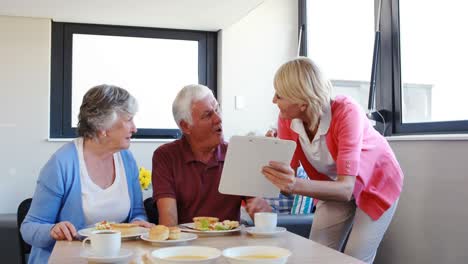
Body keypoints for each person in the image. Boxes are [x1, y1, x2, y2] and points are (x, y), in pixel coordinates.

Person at [261, 57, 404, 263]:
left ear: (302, 101)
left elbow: (346, 189)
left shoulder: (347, 112)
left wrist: (293, 184)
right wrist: (271, 161)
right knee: (317, 255)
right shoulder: (286, 120)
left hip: (377, 184)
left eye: (279, 95)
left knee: (355, 257)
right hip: (333, 187)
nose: (274, 100)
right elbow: (287, 181)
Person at [21, 84, 151, 263]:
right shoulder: (62, 163)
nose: (134, 128)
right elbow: (29, 228)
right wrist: (53, 230)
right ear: (104, 128)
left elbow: (137, 212)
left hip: (117, 258)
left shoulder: (126, 159)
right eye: (128, 119)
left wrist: (138, 223)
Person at [152, 84, 272, 226]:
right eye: (208, 115)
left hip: (230, 245)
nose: (218, 119)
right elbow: (168, 221)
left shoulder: (237, 154)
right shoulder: (165, 156)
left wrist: (262, 212)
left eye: (217, 109)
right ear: (185, 126)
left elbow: (262, 217)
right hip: (187, 244)